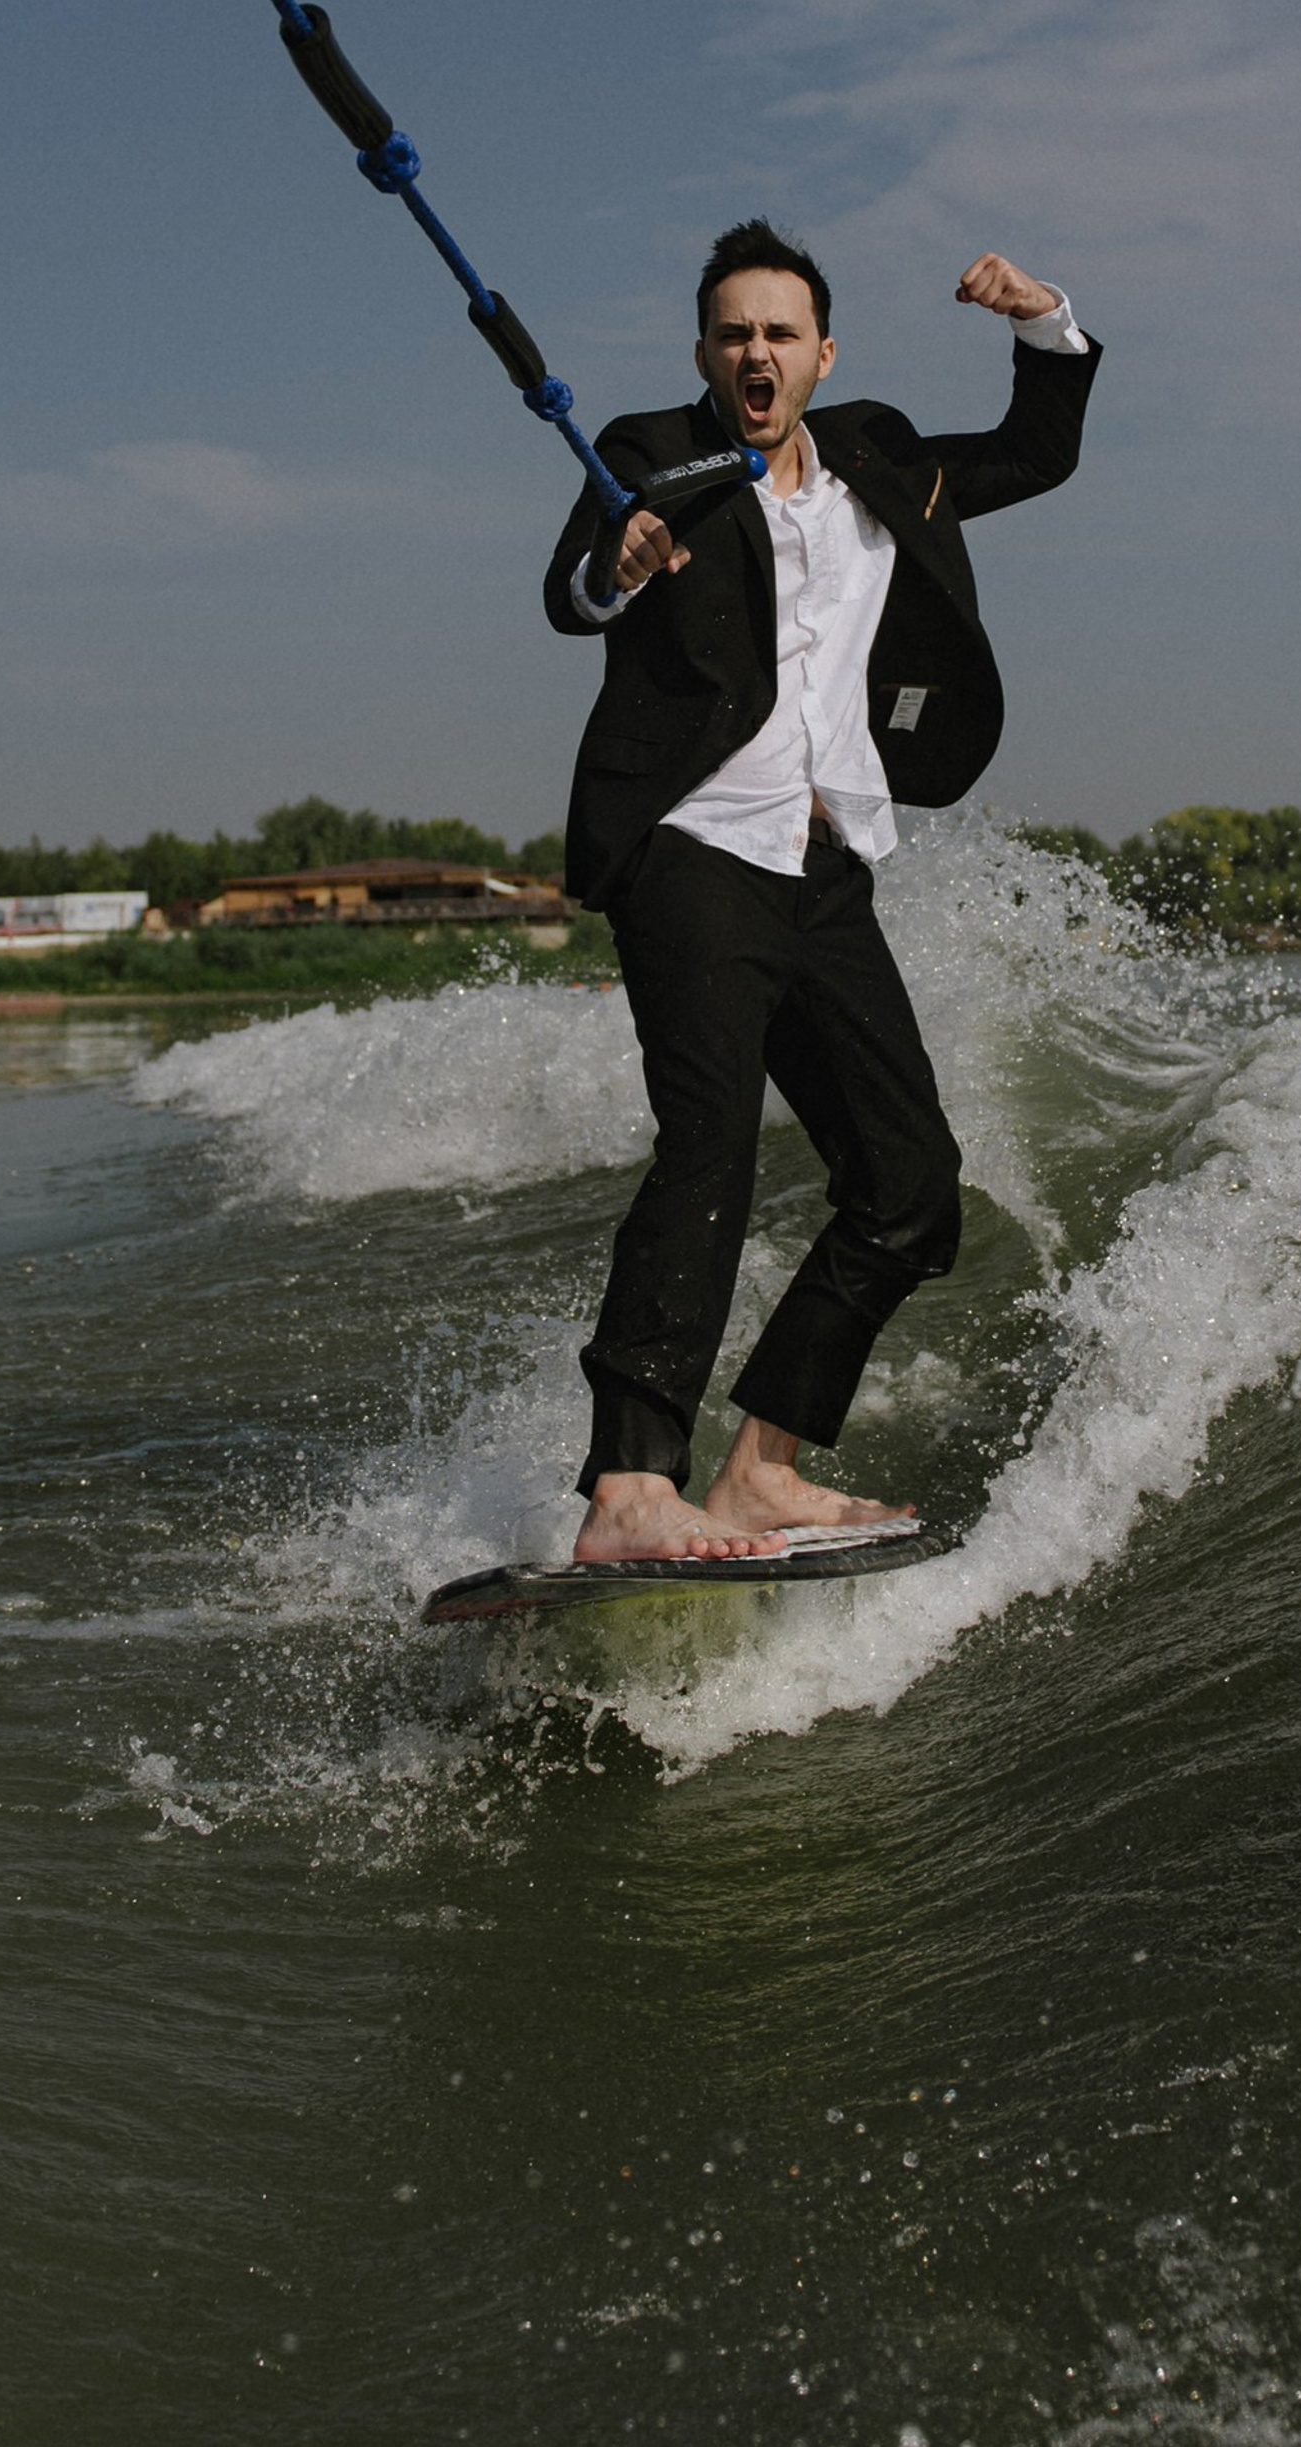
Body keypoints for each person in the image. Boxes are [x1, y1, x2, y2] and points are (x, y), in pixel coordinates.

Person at [541, 218, 1099, 1562]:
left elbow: (1034, 453)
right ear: (703, 354)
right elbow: (574, 589)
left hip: (825, 864)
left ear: (821, 354)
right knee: (711, 1143)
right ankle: (628, 1486)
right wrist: (619, 570)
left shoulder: (878, 458)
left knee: (911, 1187)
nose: (757, 351)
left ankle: (764, 1468)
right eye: (734, 332)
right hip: (691, 847)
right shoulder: (646, 457)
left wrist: (1044, 320)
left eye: (781, 332)